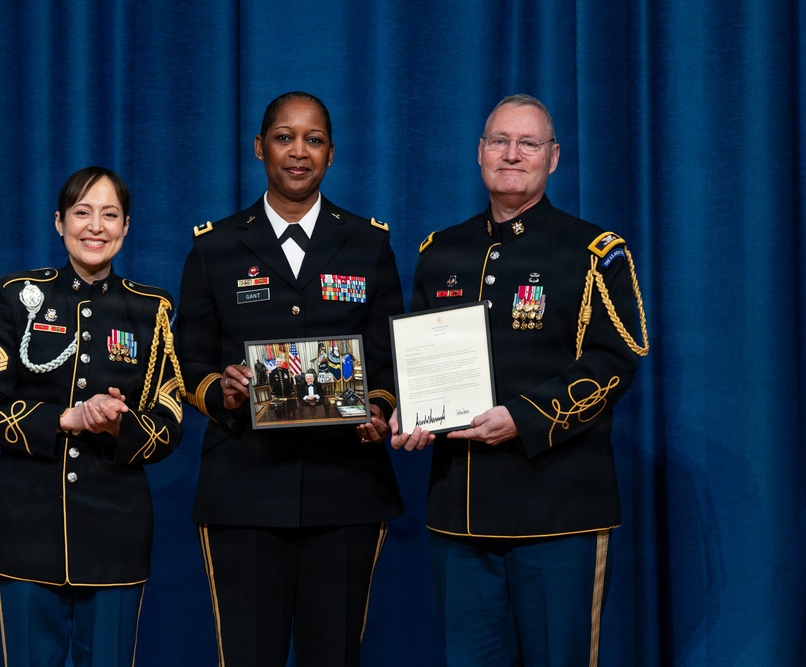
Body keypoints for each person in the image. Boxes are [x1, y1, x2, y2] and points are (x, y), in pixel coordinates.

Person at [391, 95, 649, 666]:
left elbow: (615, 361)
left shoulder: (592, 252)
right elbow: (421, 362)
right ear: (479, 153)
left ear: (552, 159)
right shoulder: (441, 251)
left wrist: (524, 418)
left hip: (558, 510)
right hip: (460, 511)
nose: (512, 154)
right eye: (499, 142)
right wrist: (409, 413)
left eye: (528, 144)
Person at [176, 91, 404, 667]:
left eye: (314, 140)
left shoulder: (370, 244)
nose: (298, 152)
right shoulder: (215, 247)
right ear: (259, 148)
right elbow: (188, 361)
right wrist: (222, 393)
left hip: (346, 485)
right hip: (243, 486)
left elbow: (388, 358)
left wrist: (377, 409)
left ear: (331, 154)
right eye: (284, 137)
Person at [0, 166, 184, 666]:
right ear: (58, 222)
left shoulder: (153, 310)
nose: (95, 227)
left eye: (110, 215)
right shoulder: (18, 296)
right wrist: (68, 420)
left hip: (115, 534)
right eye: (82, 213)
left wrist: (118, 426)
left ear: (127, 227)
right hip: (25, 529)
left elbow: (168, 428)